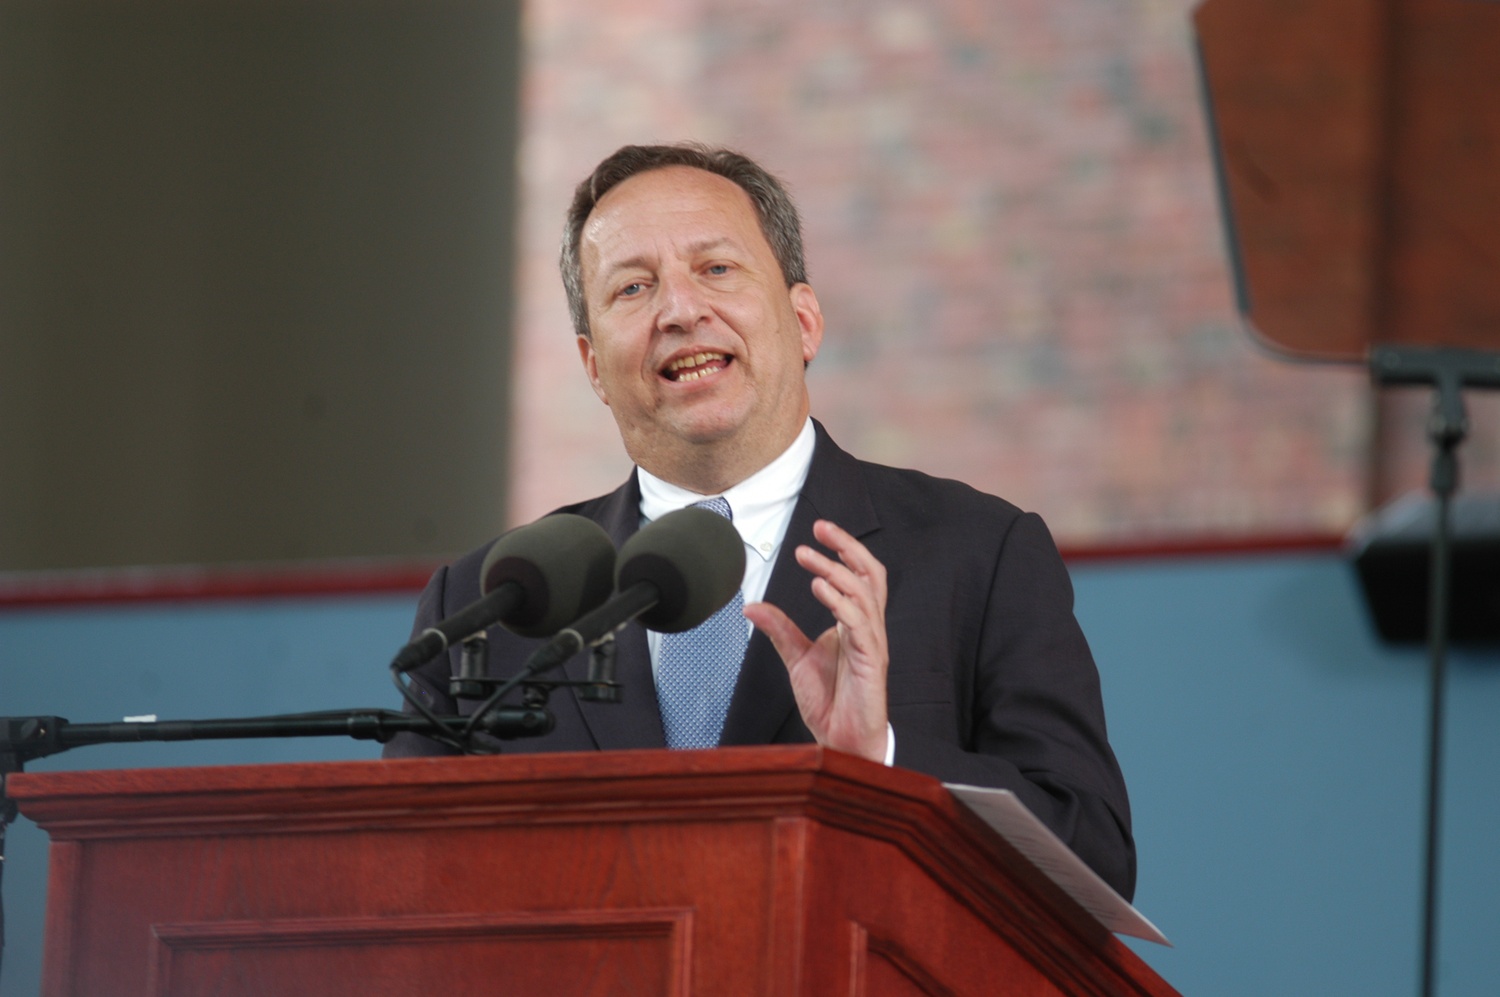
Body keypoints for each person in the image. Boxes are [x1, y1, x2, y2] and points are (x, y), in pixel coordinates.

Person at [384, 143, 1135, 900]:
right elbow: (404, 893)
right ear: (592, 366)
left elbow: (1093, 860)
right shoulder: (494, 604)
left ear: (804, 321)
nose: (679, 310)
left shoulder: (978, 553)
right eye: (633, 287)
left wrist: (882, 755)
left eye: (716, 269)